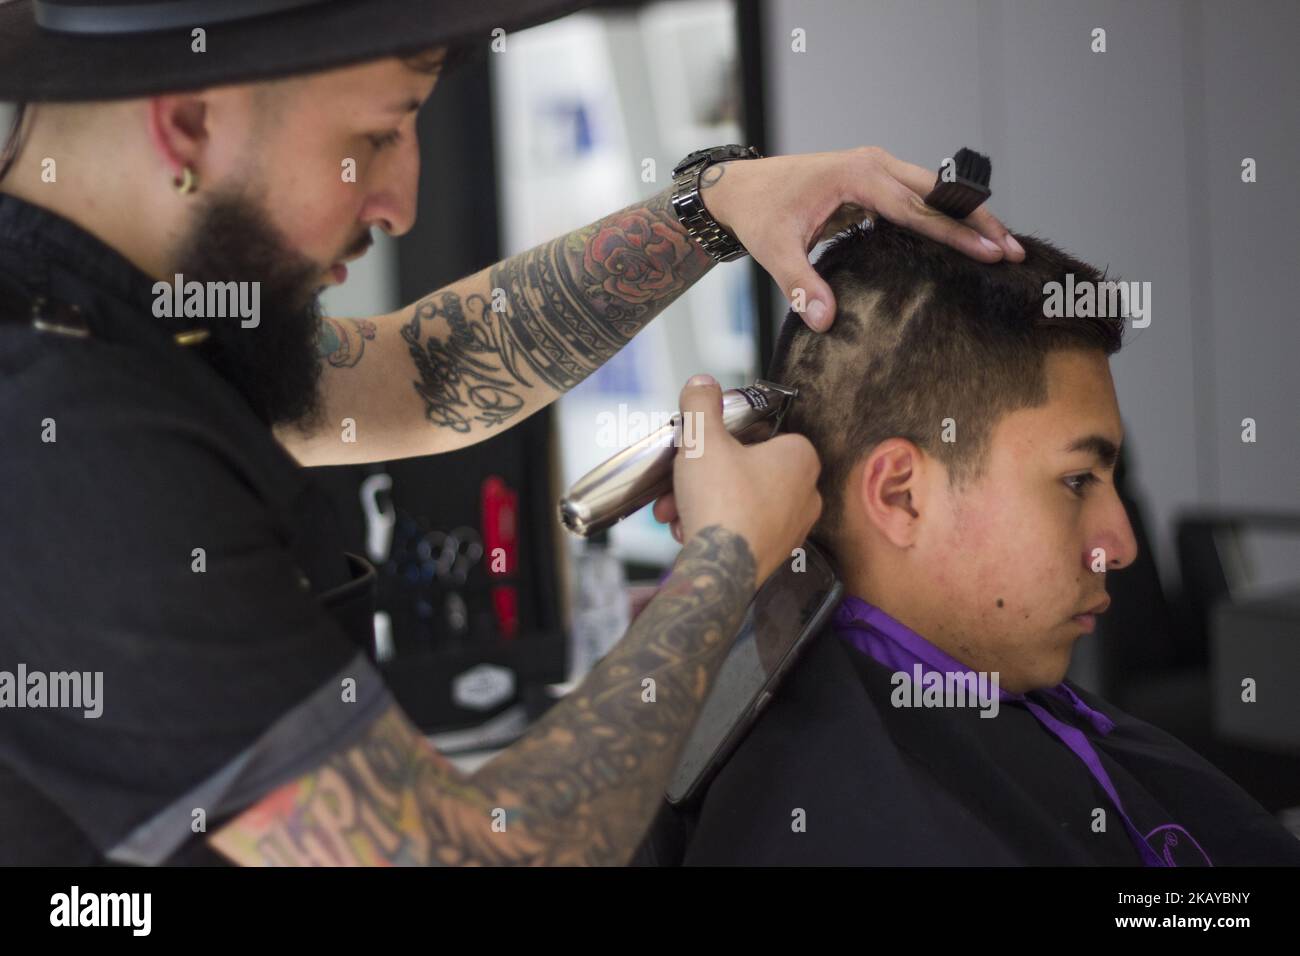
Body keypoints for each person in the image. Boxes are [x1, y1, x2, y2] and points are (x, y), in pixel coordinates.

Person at [0, 1, 1023, 866]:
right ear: (186, 123)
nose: (400, 202)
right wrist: (720, 564)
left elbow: (426, 371)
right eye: (372, 138)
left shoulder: (137, 314)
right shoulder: (65, 433)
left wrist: (710, 209)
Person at [635, 218, 1300, 866]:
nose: (1120, 545)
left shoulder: (988, 700)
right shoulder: (844, 812)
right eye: (1076, 480)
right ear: (901, 496)